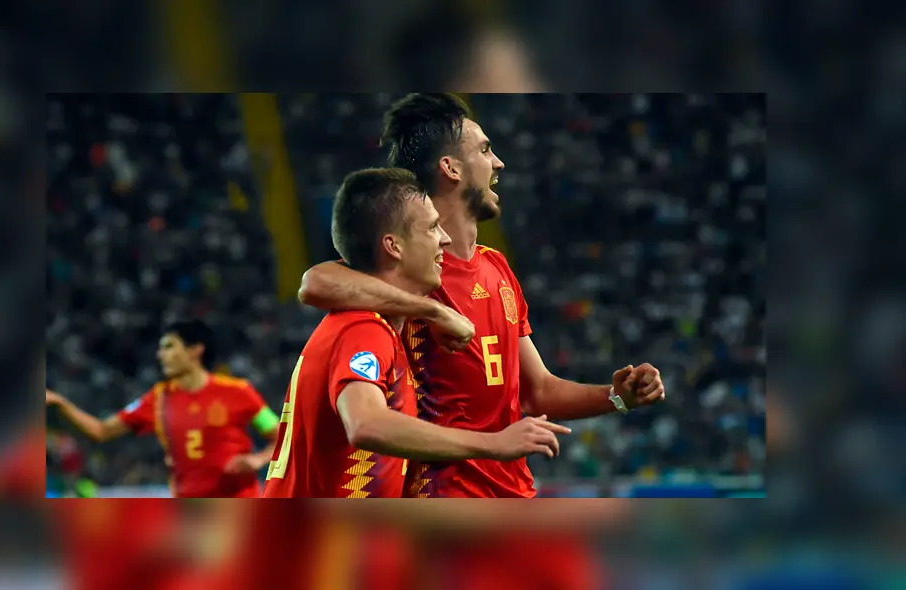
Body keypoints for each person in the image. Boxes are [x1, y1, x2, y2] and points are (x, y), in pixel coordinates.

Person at [298, 93, 667, 498]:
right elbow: (316, 283)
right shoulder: (409, 276)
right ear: (450, 168)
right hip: (442, 494)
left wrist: (617, 397)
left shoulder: (496, 267)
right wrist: (433, 311)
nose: (498, 163)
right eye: (486, 149)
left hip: (514, 489)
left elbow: (538, 391)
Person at [262, 167, 569, 498]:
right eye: (432, 228)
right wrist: (494, 443)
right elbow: (366, 424)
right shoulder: (364, 328)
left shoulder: (389, 331)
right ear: (393, 246)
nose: (445, 238)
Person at [46, 320, 279, 498]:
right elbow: (101, 430)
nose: (160, 355)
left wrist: (258, 459)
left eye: (169, 347)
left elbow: (282, 437)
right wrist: (61, 403)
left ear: (195, 350)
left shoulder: (239, 391)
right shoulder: (158, 398)